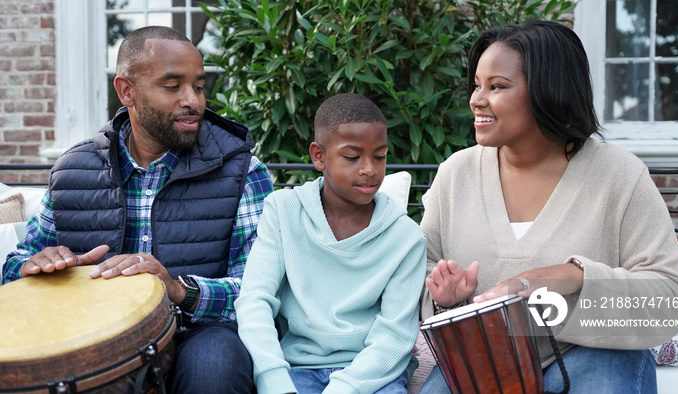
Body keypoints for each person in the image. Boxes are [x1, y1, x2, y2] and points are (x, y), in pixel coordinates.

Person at [418, 20, 678, 393]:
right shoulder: (456, 175)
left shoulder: (619, 175)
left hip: (600, 354)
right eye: (477, 85)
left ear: (548, 90)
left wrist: (572, 277)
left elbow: (670, 299)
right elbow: (420, 276)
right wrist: (445, 301)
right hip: (487, 358)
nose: (476, 99)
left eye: (496, 86)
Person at [2, 26, 273, 394]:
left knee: (213, 368)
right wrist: (39, 267)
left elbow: (259, 290)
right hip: (99, 336)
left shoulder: (242, 170)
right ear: (126, 91)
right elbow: (15, 268)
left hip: (202, 331)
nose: (193, 101)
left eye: (198, 85)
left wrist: (179, 290)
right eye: (173, 86)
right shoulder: (73, 170)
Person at [234, 93, 427, 394]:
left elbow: (395, 335)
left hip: (374, 375)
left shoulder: (406, 237)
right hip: (297, 370)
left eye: (380, 156)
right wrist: (273, 379)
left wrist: (343, 388)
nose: (369, 169)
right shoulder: (283, 211)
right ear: (319, 156)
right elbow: (254, 301)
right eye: (352, 157)